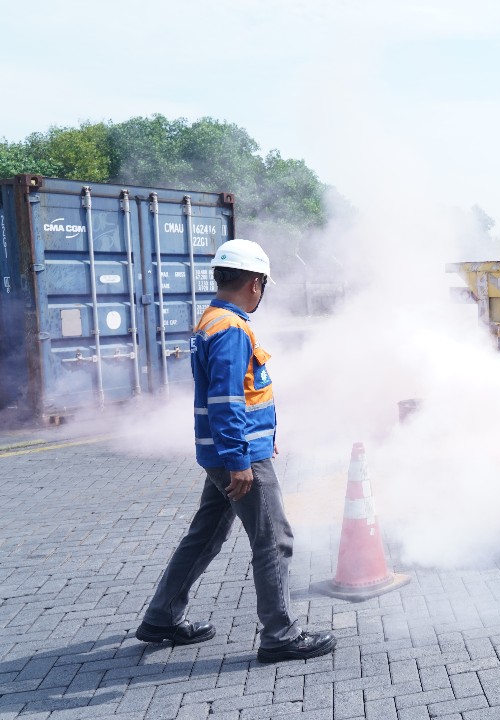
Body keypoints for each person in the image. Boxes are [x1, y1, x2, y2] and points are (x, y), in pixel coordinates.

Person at [136, 239, 336, 664]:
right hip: (238, 457)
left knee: (206, 533)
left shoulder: (212, 320)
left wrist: (248, 442)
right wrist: (238, 460)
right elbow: (226, 400)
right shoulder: (231, 328)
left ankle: (161, 617)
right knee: (274, 539)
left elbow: (239, 395)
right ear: (255, 283)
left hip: (225, 453)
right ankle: (280, 635)